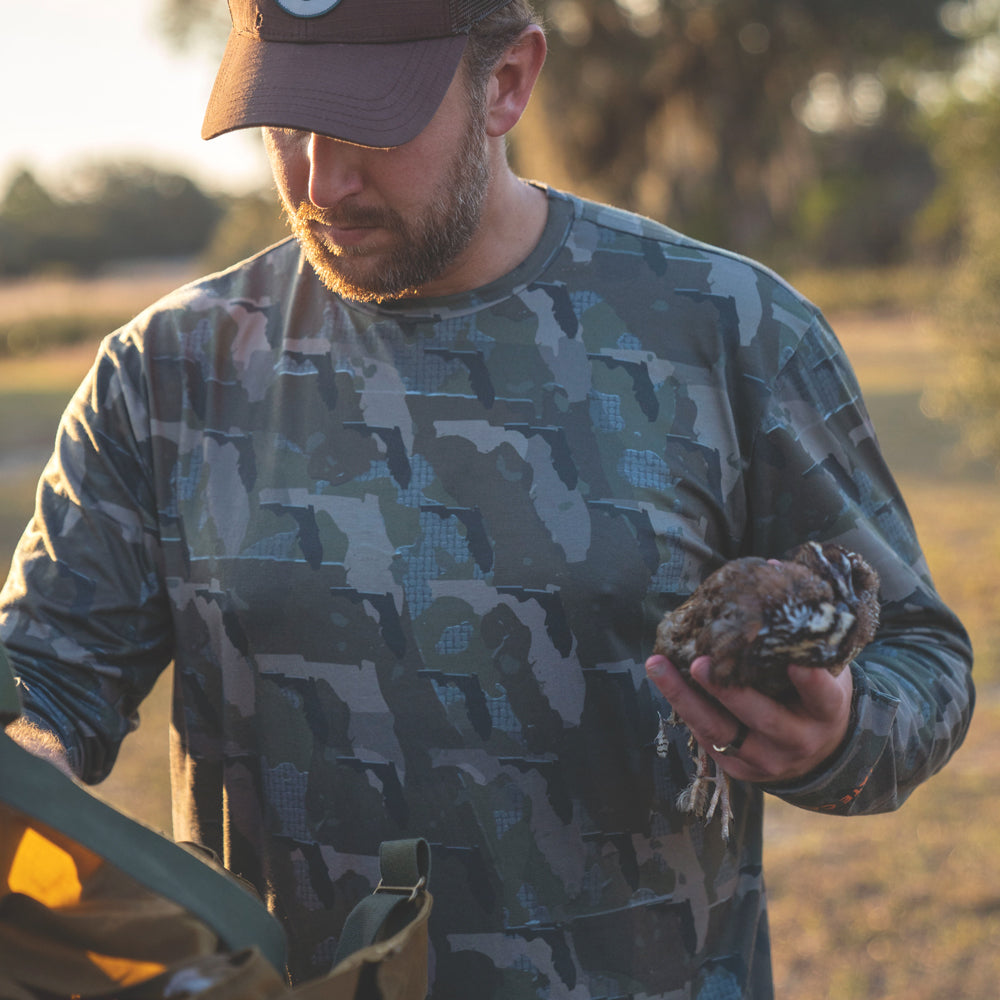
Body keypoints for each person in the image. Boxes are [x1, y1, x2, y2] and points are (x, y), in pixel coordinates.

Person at [1, 0, 974, 997]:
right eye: (285, 125)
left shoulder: (727, 330)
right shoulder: (167, 368)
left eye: (368, 124)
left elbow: (921, 658)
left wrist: (842, 737)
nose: (319, 180)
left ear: (507, 82)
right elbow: (47, 679)